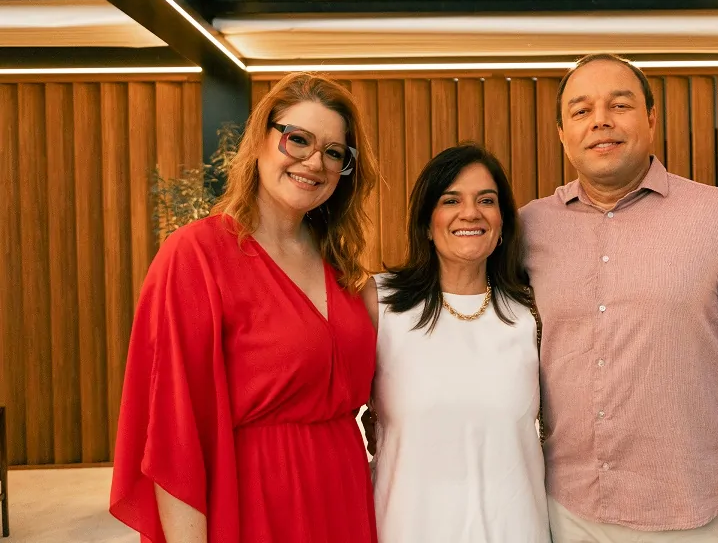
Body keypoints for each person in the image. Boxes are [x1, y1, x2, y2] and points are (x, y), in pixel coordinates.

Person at [519, 54, 718, 543]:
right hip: (562, 510)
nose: (600, 121)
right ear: (563, 134)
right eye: (581, 111)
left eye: (619, 105)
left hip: (695, 516)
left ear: (651, 119)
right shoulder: (529, 227)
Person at [109, 72, 380, 543]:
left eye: (334, 152)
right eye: (298, 139)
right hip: (255, 504)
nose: (314, 162)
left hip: (343, 496)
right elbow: (174, 432)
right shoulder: (196, 256)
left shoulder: (342, 266)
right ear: (259, 141)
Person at [364, 144, 550, 543]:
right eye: (451, 200)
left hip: (515, 531)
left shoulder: (531, 312)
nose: (470, 213)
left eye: (486, 200)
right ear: (426, 223)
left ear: (502, 224)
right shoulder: (381, 303)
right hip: (405, 531)